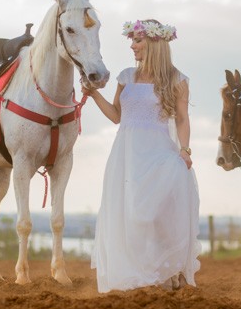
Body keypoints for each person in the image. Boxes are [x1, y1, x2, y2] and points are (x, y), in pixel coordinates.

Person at [83, 18, 201, 293]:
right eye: (132, 41)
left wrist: (185, 150)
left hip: (158, 152)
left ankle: (168, 269)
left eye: (137, 40)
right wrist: (93, 95)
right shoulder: (126, 77)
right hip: (126, 154)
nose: (133, 46)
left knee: (154, 214)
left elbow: (182, 119)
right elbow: (116, 116)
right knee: (130, 212)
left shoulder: (177, 79)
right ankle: (136, 274)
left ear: (154, 43)